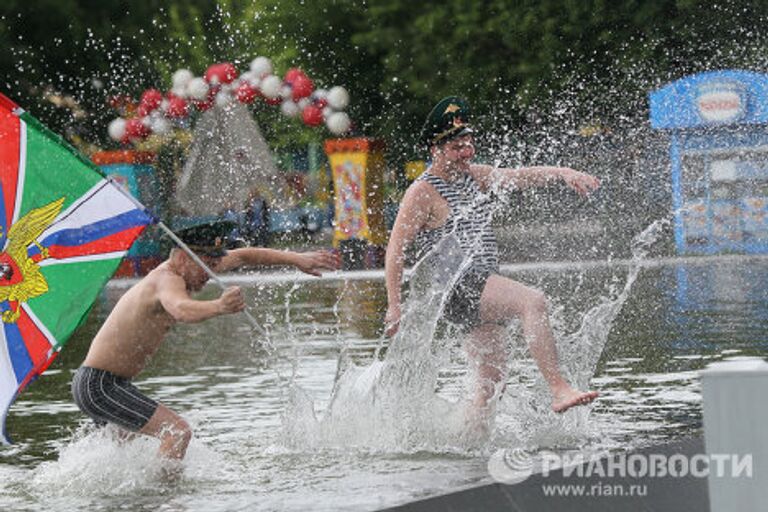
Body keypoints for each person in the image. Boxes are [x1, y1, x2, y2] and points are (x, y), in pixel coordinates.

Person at [384, 96, 600, 422]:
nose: (466, 152)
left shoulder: (476, 175)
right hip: (460, 286)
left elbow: (522, 176)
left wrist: (563, 172)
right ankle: (559, 389)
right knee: (532, 302)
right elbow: (394, 250)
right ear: (435, 149)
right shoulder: (422, 192)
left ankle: (465, 453)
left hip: (480, 284)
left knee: (491, 386)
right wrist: (394, 304)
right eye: (457, 147)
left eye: (469, 143)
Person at [71, 219, 338, 462]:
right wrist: (219, 306)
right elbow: (180, 309)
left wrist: (296, 259)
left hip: (112, 384)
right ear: (184, 258)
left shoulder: (195, 265)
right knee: (177, 433)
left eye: (214, 265)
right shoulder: (167, 280)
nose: (210, 274)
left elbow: (245, 255)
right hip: (100, 386)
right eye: (206, 267)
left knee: (129, 452)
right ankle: (167, 499)